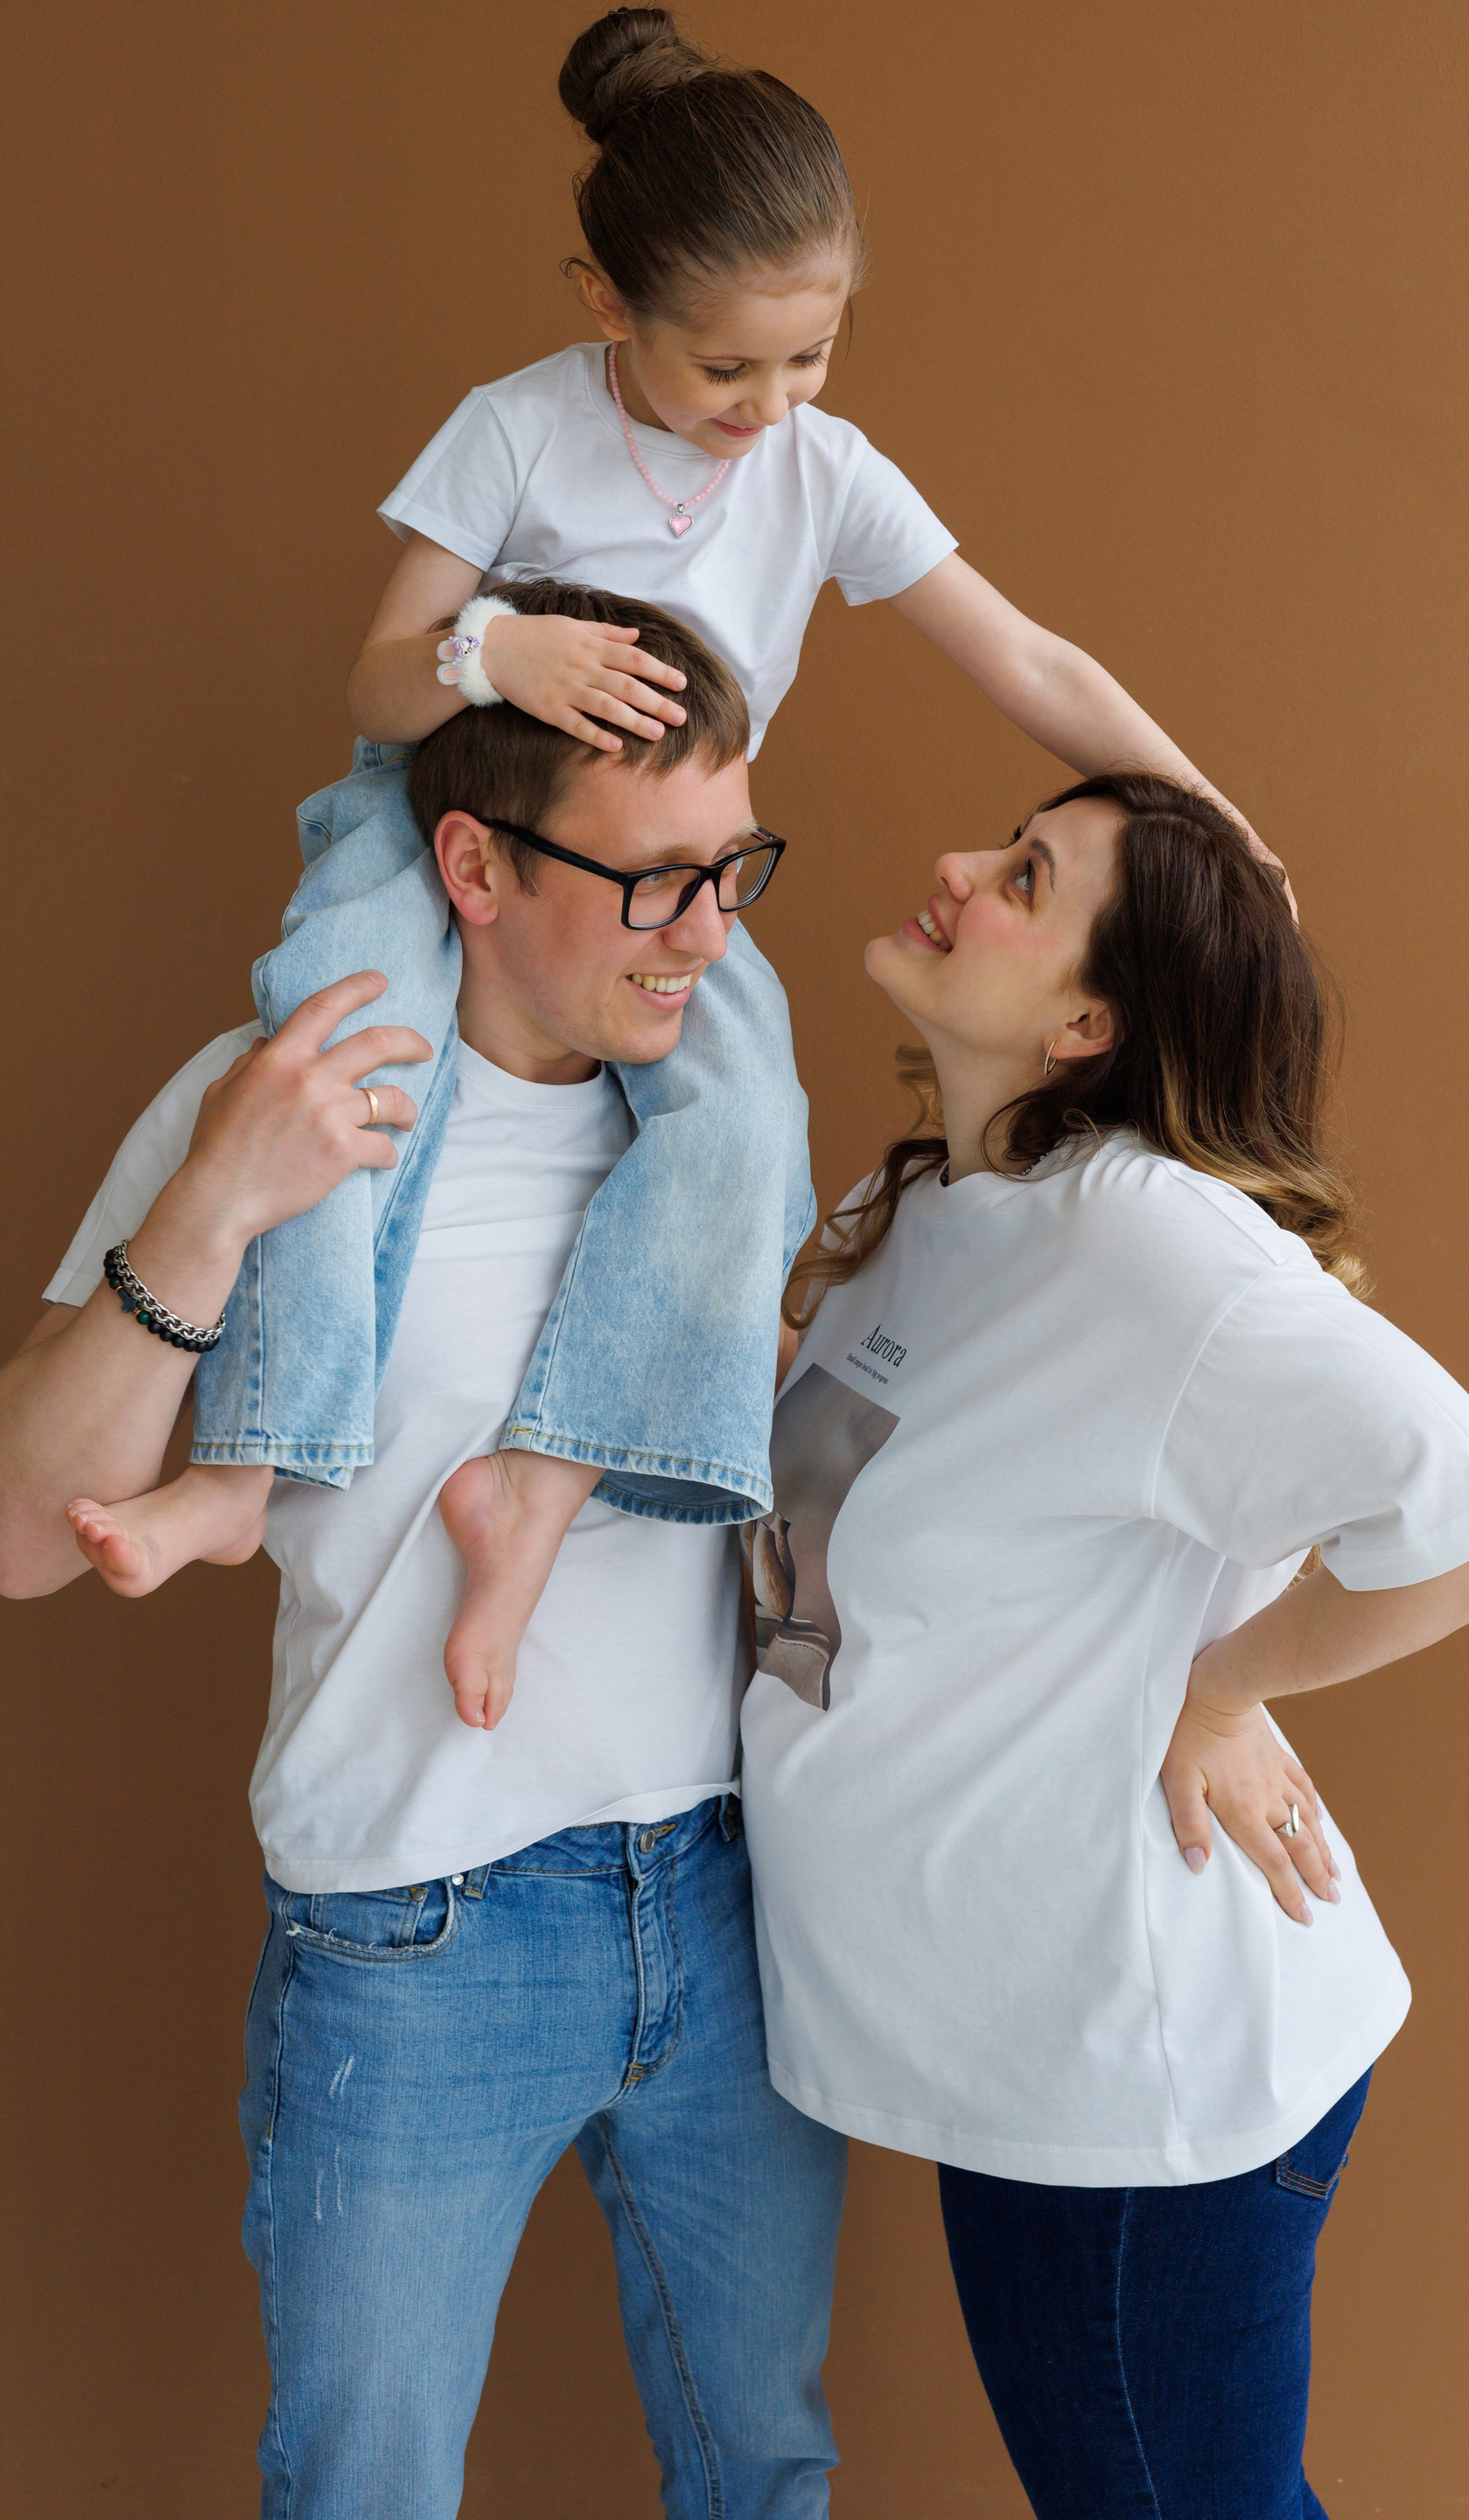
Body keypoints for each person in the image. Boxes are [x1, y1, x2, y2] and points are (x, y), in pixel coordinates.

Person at [66, 6, 1279, 1729]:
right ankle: (252, 1463)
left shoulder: (821, 471)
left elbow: (1029, 661)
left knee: (748, 1121)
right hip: (436, 824)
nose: (767, 409)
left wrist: (1213, 815)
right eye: (726, 371)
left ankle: (541, 1485)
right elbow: (379, 685)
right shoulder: (514, 432)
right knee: (336, 1063)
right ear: (605, 305)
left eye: (810, 359)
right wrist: (497, 653)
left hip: (664, 879)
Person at [0, 596, 848, 2520]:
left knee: (770, 2469)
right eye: (653, 882)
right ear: (472, 866)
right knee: (362, 2492)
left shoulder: (728, 1133)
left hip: (732, 1895)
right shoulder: (283, 1089)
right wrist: (218, 1197)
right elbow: (23, 1538)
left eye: (734, 869)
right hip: (416, 1932)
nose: (710, 936)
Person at [739, 774, 1469, 2519]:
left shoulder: (1143, 1242)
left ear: (1087, 1024)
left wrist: (1224, 1684)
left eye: (1024, 878)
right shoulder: (923, 1216)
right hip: (1022, 2043)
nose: (956, 868)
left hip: (1144, 2082)